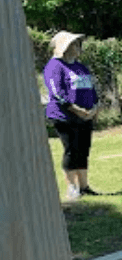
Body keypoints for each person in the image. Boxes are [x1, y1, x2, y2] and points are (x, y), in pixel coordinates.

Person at [44, 31, 100, 202]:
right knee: (71, 150)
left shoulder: (80, 67)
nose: (77, 48)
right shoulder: (54, 67)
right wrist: (77, 110)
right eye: (73, 45)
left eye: (77, 44)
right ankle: (71, 187)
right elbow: (57, 93)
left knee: (83, 150)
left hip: (85, 116)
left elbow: (91, 89)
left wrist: (95, 108)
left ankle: (84, 186)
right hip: (65, 116)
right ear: (64, 47)